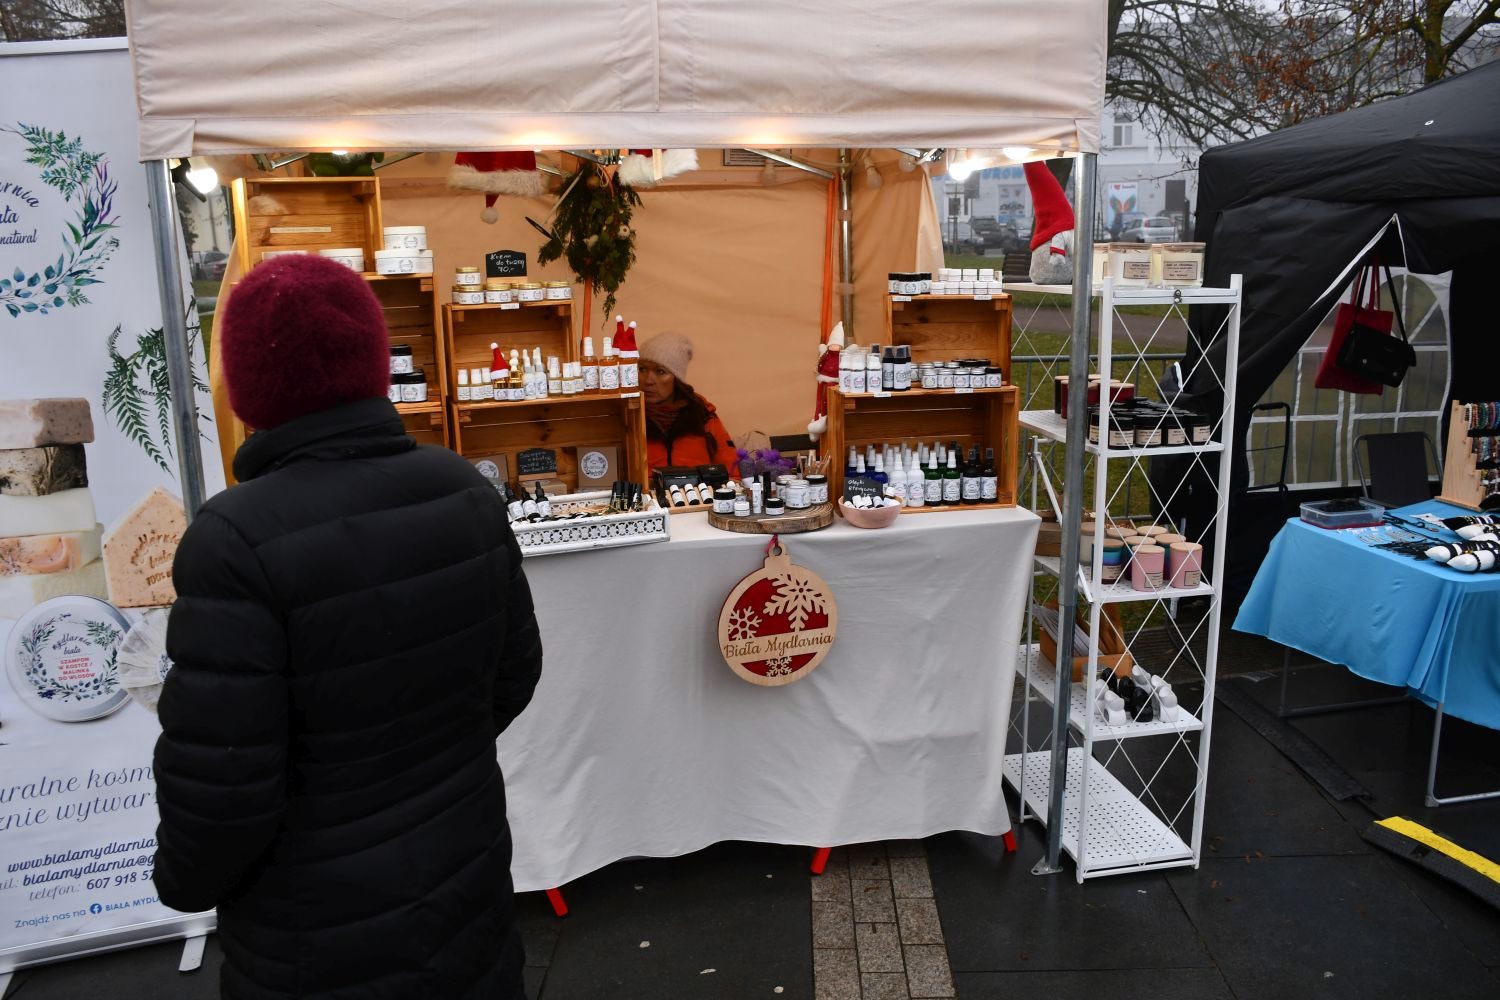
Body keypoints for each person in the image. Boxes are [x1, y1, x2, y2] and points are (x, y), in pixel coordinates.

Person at [153, 255, 542, 1000]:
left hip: (316, 925)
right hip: (465, 873)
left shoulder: (235, 537)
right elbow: (515, 674)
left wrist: (183, 878)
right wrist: (429, 764)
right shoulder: (461, 489)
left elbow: (224, 778)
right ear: (370, 359)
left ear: (249, 383)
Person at [639, 332, 741, 478]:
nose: (648, 380)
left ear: (677, 378)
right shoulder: (629, 414)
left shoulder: (702, 414)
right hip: (646, 493)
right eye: (642, 369)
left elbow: (732, 472)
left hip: (699, 492)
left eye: (660, 371)